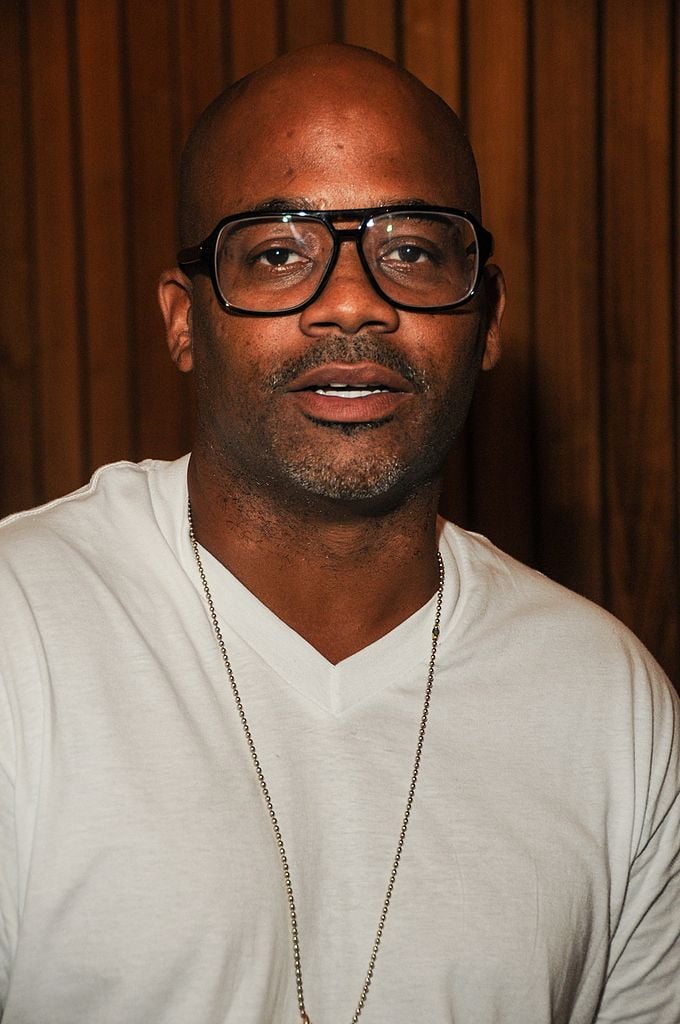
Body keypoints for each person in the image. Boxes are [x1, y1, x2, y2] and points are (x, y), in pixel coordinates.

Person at [0, 43, 677, 1024]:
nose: (353, 302)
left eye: (412, 250)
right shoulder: (21, 635)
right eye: (278, 253)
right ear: (183, 320)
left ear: (485, 314)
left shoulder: (607, 705)